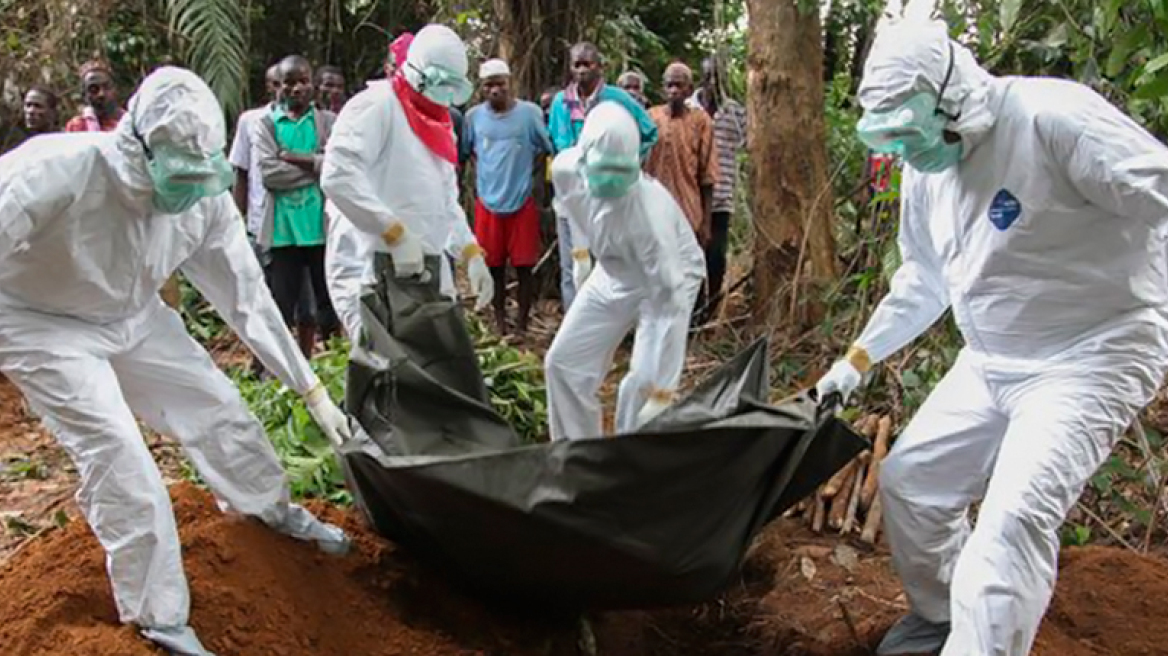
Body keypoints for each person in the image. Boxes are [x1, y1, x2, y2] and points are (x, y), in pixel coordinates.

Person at [813, 10, 1168, 656]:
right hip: (992, 357)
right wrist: (855, 361)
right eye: (891, 137)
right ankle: (943, 616)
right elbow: (923, 279)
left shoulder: (1049, 119)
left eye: (911, 131)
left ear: (949, 96)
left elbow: (1160, 189)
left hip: (1092, 352)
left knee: (1010, 524)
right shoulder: (926, 171)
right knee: (910, 482)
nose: (904, 150)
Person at [0, 67, 352, 656]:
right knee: (119, 453)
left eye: (199, 173)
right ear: (137, 148)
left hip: (133, 315)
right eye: (178, 174)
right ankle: (158, 620)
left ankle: (270, 512)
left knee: (220, 408)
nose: (189, 187)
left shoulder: (203, 198)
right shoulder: (53, 171)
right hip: (40, 323)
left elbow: (247, 298)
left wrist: (310, 388)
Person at [321, 24, 494, 341]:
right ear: (416, 72)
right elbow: (337, 175)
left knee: (430, 366)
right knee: (383, 366)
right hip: (370, 266)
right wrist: (393, 232)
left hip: (424, 268)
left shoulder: (440, 123)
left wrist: (470, 252)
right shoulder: (375, 107)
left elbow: (444, 200)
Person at [545, 101, 705, 440]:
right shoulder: (565, 169)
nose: (610, 183)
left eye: (620, 173)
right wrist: (580, 255)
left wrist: (664, 388)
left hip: (663, 280)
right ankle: (577, 458)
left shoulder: (649, 215)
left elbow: (670, 303)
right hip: (612, 270)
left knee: (639, 388)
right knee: (563, 364)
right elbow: (572, 208)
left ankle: (630, 470)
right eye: (602, 170)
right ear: (583, 157)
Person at [254, 55, 341, 359]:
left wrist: (293, 157)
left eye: (303, 81)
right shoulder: (266, 125)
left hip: (320, 228)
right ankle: (277, 369)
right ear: (279, 86)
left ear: (312, 85)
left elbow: (335, 167)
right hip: (283, 232)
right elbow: (268, 174)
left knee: (328, 302)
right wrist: (315, 166)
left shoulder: (328, 122)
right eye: (289, 82)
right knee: (280, 306)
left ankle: (336, 361)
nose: (296, 88)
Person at [462, 59, 553, 337]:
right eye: (489, 85)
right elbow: (465, 154)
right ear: (481, 88)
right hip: (487, 202)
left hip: (522, 201)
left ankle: (523, 324)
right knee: (494, 267)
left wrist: (537, 180)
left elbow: (547, 148)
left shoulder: (529, 114)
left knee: (525, 265)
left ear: (509, 83)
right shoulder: (473, 118)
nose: (494, 90)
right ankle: (501, 323)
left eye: (499, 83)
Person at [688, 55, 747, 324]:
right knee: (691, 254)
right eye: (708, 75)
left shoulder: (734, 112)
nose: (713, 81)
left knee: (716, 255)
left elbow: (749, 142)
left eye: (718, 76)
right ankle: (694, 309)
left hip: (722, 197)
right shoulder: (689, 108)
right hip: (692, 197)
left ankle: (711, 308)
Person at [644, 62, 719, 254]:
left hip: (688, 213)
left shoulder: (701, 122)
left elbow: (708, 175)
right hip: (653, 214)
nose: (674, 91)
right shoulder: (650, 118)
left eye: (679, 85)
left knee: (688, 273)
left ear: (689, 90)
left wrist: (706, 224)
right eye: (669, 85)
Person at [65, 60, 125, 132]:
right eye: (94, 89)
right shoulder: (77, 127)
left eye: (106, 87)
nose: (101, 94)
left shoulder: (130, 123)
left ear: (115, 90)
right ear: (84, 95)